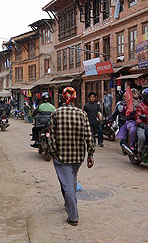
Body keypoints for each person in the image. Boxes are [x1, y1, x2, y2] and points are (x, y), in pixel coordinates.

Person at [48, 87, 95, 226]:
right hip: (78, 156)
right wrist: (90, 154)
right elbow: (89, 136)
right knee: (70, 180)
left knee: (68, 184)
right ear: (74, 98)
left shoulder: (56, 114)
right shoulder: (82, 114)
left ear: (63, 98)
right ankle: (68, 204)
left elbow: (52, 137)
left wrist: (53, 152)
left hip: (61, 156)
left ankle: (73, 216)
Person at [116, 88, 140, 153]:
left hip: (141, 121)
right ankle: (131, 145)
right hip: (131, 121)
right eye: (134, 93)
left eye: (137, 93)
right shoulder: (127, 103)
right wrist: (126, 107)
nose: (136, 94)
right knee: (133, 130)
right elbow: (123, 113)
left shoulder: (141, 102)